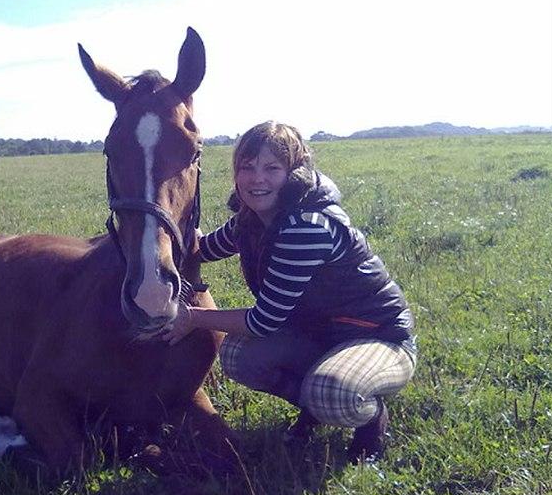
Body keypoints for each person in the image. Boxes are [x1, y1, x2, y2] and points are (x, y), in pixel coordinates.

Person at [163, 121, 416, 463]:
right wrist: (157, 239)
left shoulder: (306, 227)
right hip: (318, 334)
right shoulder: (249, 219)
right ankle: (315, 406)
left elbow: (264, 320)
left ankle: (370, 420)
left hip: (378, 335)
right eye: (247, 167)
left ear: (293, 173)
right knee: (239, 355)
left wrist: (192, 317)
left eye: (272, 168)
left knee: (332, 393)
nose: (257, 179)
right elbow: (202, 250)